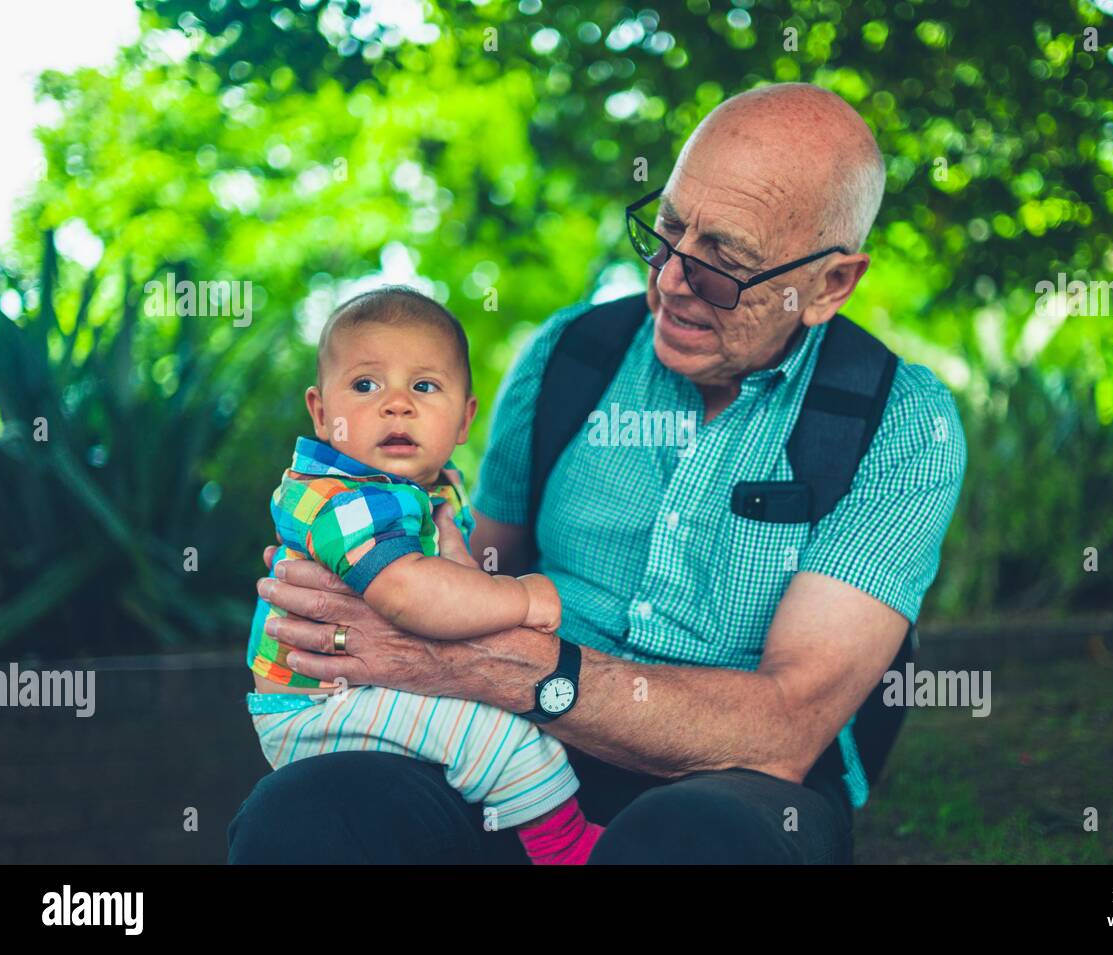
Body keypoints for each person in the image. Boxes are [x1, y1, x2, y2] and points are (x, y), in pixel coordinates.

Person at [229, 82, 967, 864]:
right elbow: (484, 565)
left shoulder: (900, 423)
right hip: (517, 747)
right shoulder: (567, 356)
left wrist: (516, 671)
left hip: (732, 779)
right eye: (668, 231)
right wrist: (375, 576)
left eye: (724, 266)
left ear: (829, 285)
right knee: (308, 815)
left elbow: (786, 727)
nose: (673, 281)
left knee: (692, 841)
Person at [244, 286, 602, 865]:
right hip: (317, 706)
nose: (397, 404)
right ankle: (567, 850)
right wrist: (521, 599)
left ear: (464, 419)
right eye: (365, 385)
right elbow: (411, 594)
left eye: (424, 386)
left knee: (511, 724)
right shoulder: (345, 501)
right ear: (319, 412)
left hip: (366, 688)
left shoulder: (422, 489)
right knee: (499, 740)